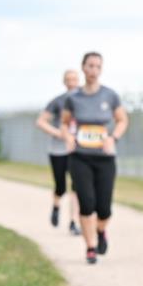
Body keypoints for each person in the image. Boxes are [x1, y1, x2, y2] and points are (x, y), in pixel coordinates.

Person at [61, 52, 129, 264]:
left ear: (101, 69)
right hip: (80, 156)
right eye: (90, 66)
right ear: (83, 68)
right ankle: (90, 247)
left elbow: (122, 120)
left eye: (97, 66)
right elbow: (64, 123)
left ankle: (101, 231)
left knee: (104, 208)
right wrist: (68, 138)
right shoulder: (73, 98)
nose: (93, 70)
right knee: (86, 203)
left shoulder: (110, 95)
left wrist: (113, 138)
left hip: (104, 157)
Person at [37, 69, 82, 236]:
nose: (72, 82)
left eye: (75, 79)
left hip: (77, 149)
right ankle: (56, 206)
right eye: (69, 79)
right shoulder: (57, 101)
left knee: (76, 187)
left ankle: (73, 222)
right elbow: (41, 121)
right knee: (61, 187)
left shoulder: (84, 100)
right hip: (58, 150)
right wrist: (59, 133)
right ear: (64, 82)